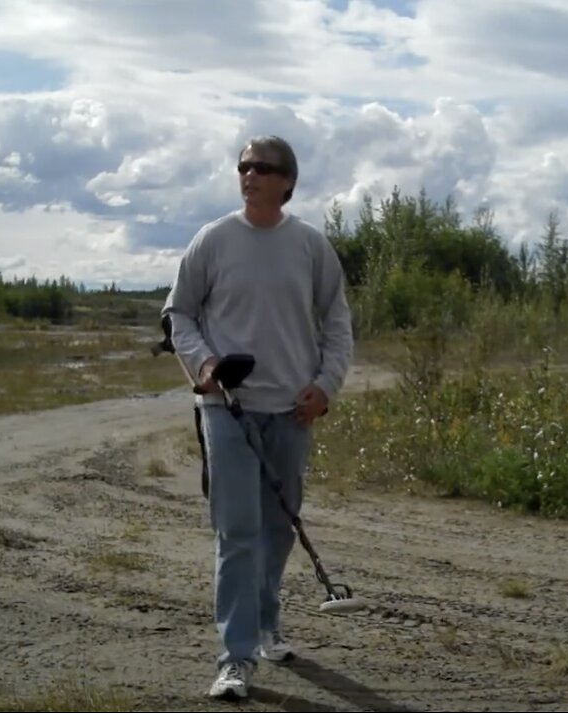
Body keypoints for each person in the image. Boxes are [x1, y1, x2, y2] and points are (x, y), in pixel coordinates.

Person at [160, 135, 354, 701]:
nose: (250, 175)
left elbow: (337, 326)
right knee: (238, 532)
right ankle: (236, 658)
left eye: (263, 168)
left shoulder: (311, 248)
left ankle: (267, 626)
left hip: (292, 412)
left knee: (276, 531)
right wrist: (204, 364)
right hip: (227, 409)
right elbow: (180, 314)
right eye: (243, 166)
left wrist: (325, 387)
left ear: (287, 182)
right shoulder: (213, 241)